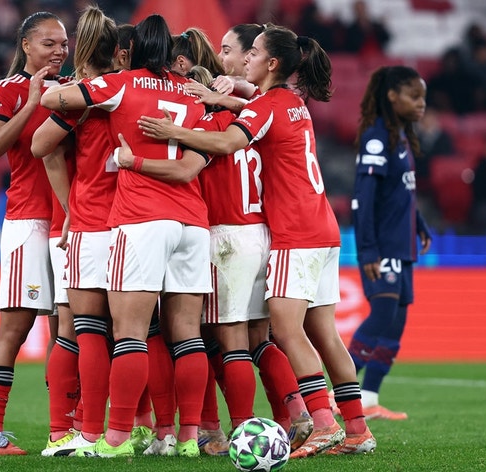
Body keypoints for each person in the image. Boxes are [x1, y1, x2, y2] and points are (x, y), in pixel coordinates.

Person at [138, 23, 375, 458]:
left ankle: (319, 422)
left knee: (274, 332)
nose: (244, 58)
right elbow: (254, 103)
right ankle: (357, 427)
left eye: (252, 53)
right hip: (322, 228)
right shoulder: (292, 103)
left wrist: (173, 132)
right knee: (322, 333)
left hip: (290, 233)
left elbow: (229, 141)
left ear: (272, 62)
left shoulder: (263, 105)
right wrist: (225, 97)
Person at [42, 13, 211, 458]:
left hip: (139, 219)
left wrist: (64, 86)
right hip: (194, 221)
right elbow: (197, 161)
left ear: (130, 51)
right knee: (185, 335)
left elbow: (53, 106)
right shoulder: (193, 95)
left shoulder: (121, 84)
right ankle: (187, 437)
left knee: (125, 333)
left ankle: (110, 438)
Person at [0, 11, 70, 456]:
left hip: (73, 223)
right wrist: (32, 102)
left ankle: (61, 430)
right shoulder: (7, 89)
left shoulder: (76, 89)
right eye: (49, 43)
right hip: (29, 222)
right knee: (15, 328)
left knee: (68, 331)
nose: (59, 50)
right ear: (27, 45)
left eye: (64, 43)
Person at [346, 65, 432, 422]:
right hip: (382, 247)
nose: (421, 104)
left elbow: (401, 193)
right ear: (392, 96)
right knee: (382, 314)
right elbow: (363, 198)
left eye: (423, 97)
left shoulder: (401, 137)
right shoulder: (377, 138)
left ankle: (368, 399)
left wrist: (420, 224)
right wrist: (368, 250)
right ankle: (337, 392)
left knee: (395, 324)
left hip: (402, 244)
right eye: (414, 96)